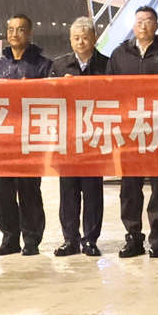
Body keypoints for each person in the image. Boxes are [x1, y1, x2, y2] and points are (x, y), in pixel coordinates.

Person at [108, 6, 158, 258]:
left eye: (148, 21)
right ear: (133, 25)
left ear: (156, 26)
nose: (143, 25)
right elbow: (108, 92)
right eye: (139, 21)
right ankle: (133, 238)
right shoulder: (120, 54)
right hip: (129, 131)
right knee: (129, 188)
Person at [0, 15, 50, 256]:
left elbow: (50, 97)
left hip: (30, 137)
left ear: (30, 33)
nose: (14, 34)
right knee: (2, 190)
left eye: (20, 29)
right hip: (3, 136)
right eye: (11, 29)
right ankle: (9, 237)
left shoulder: (43, 65)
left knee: (29, 189)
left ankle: (32, 238)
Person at [53, 16, 108, 257]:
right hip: (68, 137)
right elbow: (46, 96)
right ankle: (70, 239)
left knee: (93, 190)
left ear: (94, 38)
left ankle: (90, 239)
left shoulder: (106, 64)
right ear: (70, 40)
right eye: (76, 38)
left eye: (85, 37)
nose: (81, 42)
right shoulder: (59, 65)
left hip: (95, 137)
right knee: (68, 191)